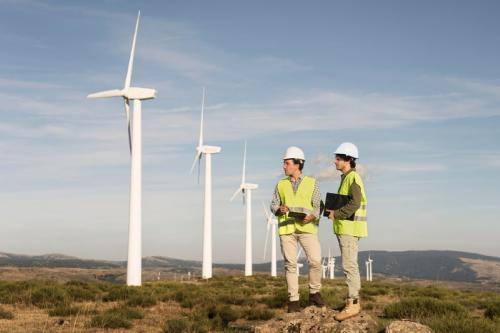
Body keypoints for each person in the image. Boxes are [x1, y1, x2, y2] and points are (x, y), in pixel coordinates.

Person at [270, 146, 325, 313]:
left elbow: (318, 206)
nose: (284, 166)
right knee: (290, 265)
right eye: (284, 163)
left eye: (287, 163)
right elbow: (273, 205)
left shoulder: (312, 182)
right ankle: (293, 300)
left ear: (297, 164)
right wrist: (279, 209)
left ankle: (314, 292)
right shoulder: (280, 184)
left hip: (307, 228)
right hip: (287, 230)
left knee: (316, 261)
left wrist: (313, 216)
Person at [326, 142, 368, 321]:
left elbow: (355, 203)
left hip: (350, 229)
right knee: (349, 265)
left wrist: (338, 213)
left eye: (338, 158)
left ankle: (354, 303)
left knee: (350, 265)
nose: (335, 161)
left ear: (348, 160)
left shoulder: (353, 178)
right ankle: (352, 301)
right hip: (345, 228)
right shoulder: (345, 178)